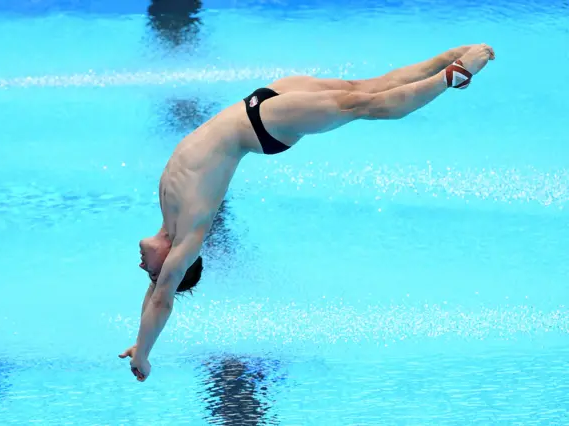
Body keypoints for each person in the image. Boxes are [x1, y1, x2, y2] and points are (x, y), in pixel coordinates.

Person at [118, 43, 496, 381]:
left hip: (255, 103)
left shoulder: (169, 217)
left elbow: (154, 293)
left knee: (362, 87)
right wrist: (146, 354)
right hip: (263, 125)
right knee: (366, 106)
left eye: (149, 274)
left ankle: (443, 61)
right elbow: (162, 298)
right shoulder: (190, 233)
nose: (143, 269)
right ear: (171, 265)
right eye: (152, 273)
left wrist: (138, 341)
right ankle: (454, 77)